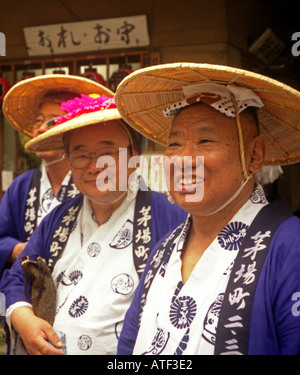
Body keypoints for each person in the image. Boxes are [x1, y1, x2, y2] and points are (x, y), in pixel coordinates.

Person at [115, 62, 300, 355]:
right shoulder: (166, 248)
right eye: (174, 144)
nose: (183, 159)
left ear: (254, 156)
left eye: (204, 141)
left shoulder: (291, 247)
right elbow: (128, 345)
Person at [0, 91, 186, 355]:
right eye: (81, 155)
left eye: (107, 153)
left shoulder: (170, 215)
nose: (95, 166)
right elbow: (16, 277)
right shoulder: (57, 219)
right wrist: (24, 318)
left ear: (134, 155)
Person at [0, 74, 109, 276]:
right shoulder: (21, 186)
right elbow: (1, 237)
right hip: (27, 289)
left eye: (51, 121)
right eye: (38, 120)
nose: (41, 128)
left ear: (72, 129)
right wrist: (14, 250)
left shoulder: (93, 181)